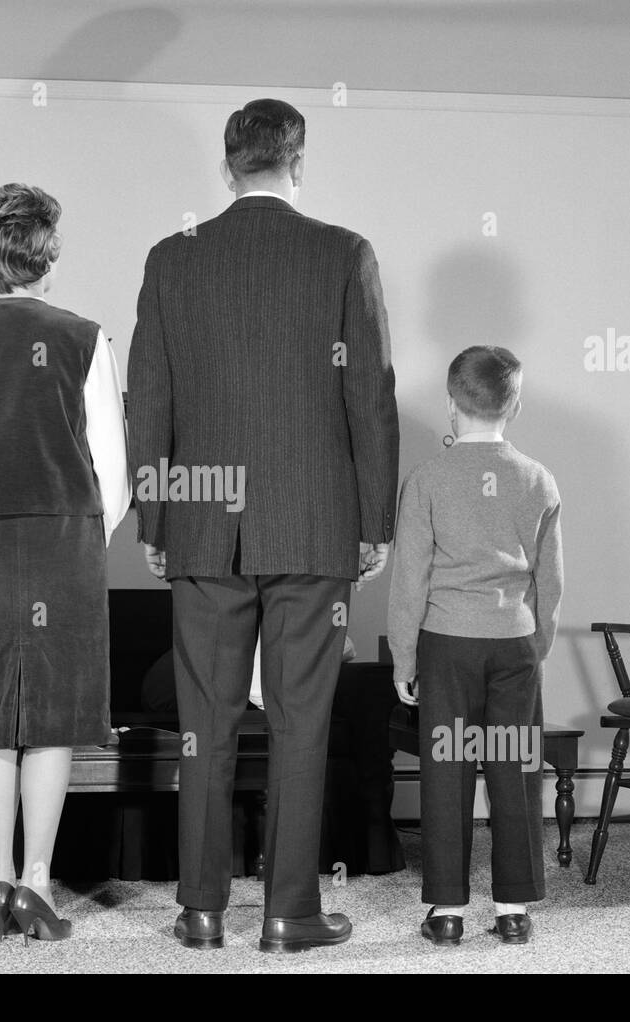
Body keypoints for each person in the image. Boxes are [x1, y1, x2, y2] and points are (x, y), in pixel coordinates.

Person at [127, 99, 399, 952]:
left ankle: (201, 911)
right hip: (314, 526)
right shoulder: (343, 252)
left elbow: (151, 399)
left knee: (204, 726)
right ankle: (290, 914)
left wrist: (154, 513)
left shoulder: (172, 259)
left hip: (202, 527)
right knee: (300, 724)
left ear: (227, 165)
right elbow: (371, 398)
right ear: (298, 160)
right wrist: (374, 519)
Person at [0, 183, 130, 944]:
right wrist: (78, 541)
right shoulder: (86, 337)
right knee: (50, 717)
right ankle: (39, 882)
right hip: (62, 539)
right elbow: (115, 469)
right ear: (48, 251)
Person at [388, 345, 563, 946]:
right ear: (515, 403)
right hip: (513, 644)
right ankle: (513, 909)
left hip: (447, 647)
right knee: (513, 770)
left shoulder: (427, 479)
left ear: (450, 403)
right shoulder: (537, 478)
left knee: (447, 771)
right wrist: (535, 645)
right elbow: (551, 580)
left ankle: (446, 912)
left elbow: (410, 577)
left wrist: (404, 660)